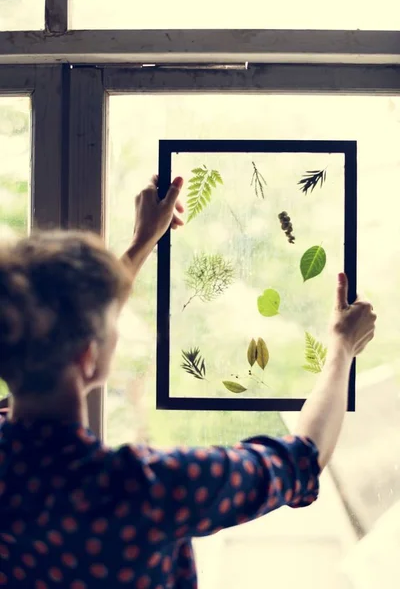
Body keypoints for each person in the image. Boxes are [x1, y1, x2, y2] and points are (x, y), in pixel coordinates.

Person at [0, 175, 376, 589]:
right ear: (88, 358)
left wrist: (142, 241)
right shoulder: (146, 489)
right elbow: (300, 461)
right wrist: (342, 346)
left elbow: (65, 329)